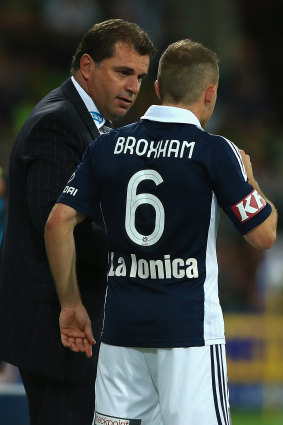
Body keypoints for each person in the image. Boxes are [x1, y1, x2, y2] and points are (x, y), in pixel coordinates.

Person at [45, 39, 277, 425]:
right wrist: (249, 178)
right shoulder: (214, 152)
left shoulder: (107, 146)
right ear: (210, 93)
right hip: (188, 333)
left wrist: (70, 303)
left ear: (156, 89)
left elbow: (58, 222)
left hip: (120, 331)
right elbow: (263, 235)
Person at [0, 19, 156, 425]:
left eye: (140, 76)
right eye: (123, 72)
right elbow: (52, 223)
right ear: (87, 66)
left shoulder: (98, 127)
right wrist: (140, 252)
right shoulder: (58, 123)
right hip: (57, 330)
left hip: (78, 323)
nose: (134, 87)